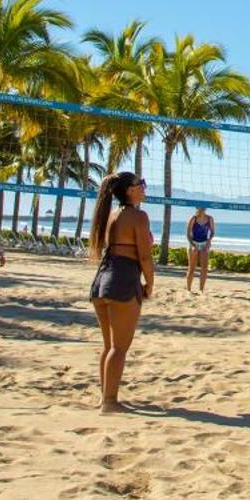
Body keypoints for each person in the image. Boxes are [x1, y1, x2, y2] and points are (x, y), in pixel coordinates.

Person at [89, 171, 154, 412]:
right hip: (123, 280)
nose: (145, 187)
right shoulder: (138, 216)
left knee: (109, 346)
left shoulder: (110, 215)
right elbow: (145, 257)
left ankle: (105, 397)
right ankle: (110, 402)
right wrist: (150, 283)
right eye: (141, 184)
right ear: (129, 190)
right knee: (119, 347)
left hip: (102, 280)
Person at [184, 205, 215, 293]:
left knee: (204, 267)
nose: (201, 209)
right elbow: (188, 234)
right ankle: (188, 290)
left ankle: (201, 290)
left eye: (202, 208)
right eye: (199, 208)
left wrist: (209, 241)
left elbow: (212, 232)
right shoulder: (193, 218)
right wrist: (193, 245)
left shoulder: (210, 219)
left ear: (205, 209)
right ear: (197, 209)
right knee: (192, 268)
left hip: (204, 243)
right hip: (193, 242)